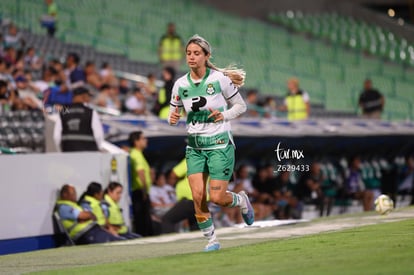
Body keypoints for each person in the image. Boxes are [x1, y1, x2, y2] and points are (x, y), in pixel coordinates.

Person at [168, 34, 254, 251]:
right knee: (197, 196)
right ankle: (211, 240)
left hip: (219, 145)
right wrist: (173, 117)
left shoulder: (219, 80)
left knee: (217, 197)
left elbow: (240, 106)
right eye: (188, 53)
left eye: (196, 53)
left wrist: (224, 116)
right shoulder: (179, 84)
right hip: (195, 147)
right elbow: (174, 110)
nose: (191, 57)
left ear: (206, 56)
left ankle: (241, 200)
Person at [55, 184, 122, 244]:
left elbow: (88, 215)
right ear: (65, 194)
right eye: (73, 193)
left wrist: (86, 216)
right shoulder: (64, 207)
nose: (75, 195)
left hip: (92, 229)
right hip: (83, 233)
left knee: (117, 240)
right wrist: (86, 216)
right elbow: (82, 215)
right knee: (113, 243)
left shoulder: (74, 205)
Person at [53, 86, 104, 152]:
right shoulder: (91, 112)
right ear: (84, 96)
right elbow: (98, 136)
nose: (89, 99)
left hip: (68, 154)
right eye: (88, 96)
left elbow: (56, 137)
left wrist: (61, 152)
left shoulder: (64, 111)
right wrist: (97, 150)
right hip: (89, 155)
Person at [129, 131, 153, 236]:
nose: (146, 140)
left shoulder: (137, 154)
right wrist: (144, 191)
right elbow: (140, 173)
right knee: (143, 219)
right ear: (136, 141)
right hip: (140, 191)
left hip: (141, 191)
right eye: (143, 138)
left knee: (143, 218)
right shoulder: (136, 155)